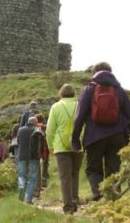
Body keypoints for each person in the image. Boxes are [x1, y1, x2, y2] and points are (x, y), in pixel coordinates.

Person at [72, 62, 130, 201]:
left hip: (94, 137)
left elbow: (80, 116)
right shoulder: (119, 89)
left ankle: (98, 195)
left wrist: (75, 139)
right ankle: (113, 199)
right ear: (110, 72)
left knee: (93, 169)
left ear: (95, 72)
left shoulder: (89, 88)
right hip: (117, 136)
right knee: (114, 170)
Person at [46, 83, 84, 214]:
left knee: (65, 177)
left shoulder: (55, 107)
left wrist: (50, 145)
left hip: (61, 147)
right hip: (78, 145)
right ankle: (74, 200)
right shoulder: (80, 105)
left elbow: (50, 130)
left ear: (61, 93)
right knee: (75, 174)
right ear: (74, 93)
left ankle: (68, 207)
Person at [16, 117, 40, 204]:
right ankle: (28, 199)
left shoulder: (20, 130)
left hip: (22, 156)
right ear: (35, 123)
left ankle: (22, 186)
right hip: (33, 157)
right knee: (33, 177)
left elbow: (18, 143)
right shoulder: (37, 130)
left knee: (21, 174)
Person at [34, 113, 49, 198]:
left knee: (38, 166)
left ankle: (37, 187)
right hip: (45, 147)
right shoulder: (44, 127)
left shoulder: (34, 127)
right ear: (43, 119)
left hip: (36, 149)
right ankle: (44, 180)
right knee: (45, 163)